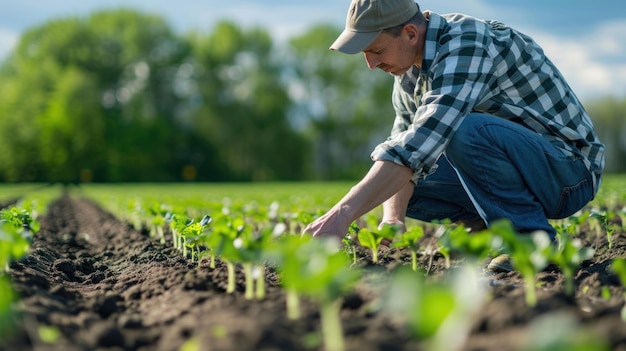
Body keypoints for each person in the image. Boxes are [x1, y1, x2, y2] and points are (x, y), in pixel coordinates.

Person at [303, 0, 605, 272]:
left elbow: (420, 143)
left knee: (464, 130)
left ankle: (529, 242)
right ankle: (492, 226)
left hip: (570, 172)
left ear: (410, 33)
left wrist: (341, 215)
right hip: (522, 167)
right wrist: (393, 218)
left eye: (377, 51)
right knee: (388, 182)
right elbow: (401, 145)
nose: (371, 64)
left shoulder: (467, 43)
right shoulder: (408, 73)